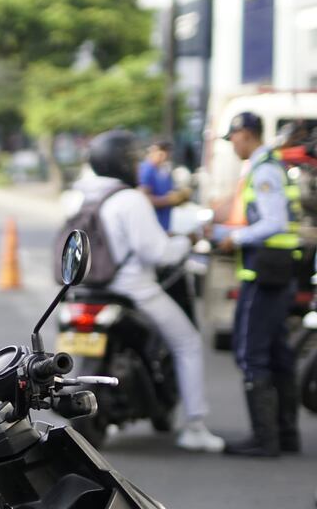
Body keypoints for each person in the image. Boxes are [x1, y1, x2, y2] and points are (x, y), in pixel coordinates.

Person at [77, 130, 224, 452]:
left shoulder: (86, 195)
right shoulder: (130, 199)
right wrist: (186, 241)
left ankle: (111, 416)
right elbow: (157, 253)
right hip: (133, 289)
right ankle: (195, 426)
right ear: (124, 162)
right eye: (134, 158)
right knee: (187, 342)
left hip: (90, 290)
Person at [211, 112, 303, 457]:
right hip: (276, 272)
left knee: (251, 353)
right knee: (278, 353)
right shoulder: (268, 165)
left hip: (264, 274)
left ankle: (265, 439)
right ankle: (286, 435)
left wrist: (235, 238)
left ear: (246, 134)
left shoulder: (264, 169)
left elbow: (274, 222)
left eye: (232, 137)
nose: (232, 144)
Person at [138, 139, 198, 324]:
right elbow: (145, 198)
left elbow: (170, 196)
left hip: (164, 231)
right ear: (152, 151)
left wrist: (181, 196)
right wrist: (169, 200)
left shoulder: (164, 172)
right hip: (152, 235)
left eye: (166, 154)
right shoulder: (147, 170)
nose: (162, 157)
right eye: (160, 153)